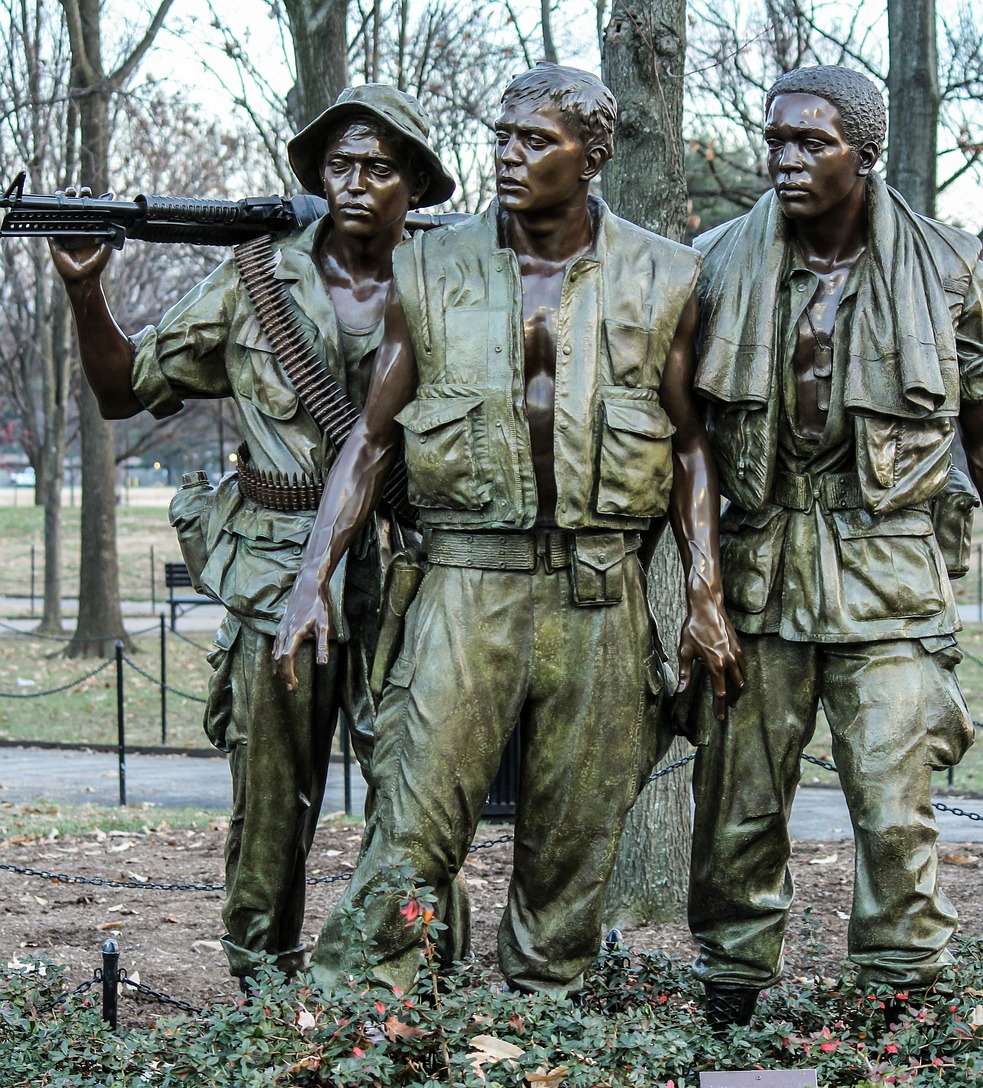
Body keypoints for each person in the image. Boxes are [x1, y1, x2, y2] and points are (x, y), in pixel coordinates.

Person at [273, 62, 744, 998]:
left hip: (599, 590)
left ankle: (541, 1038)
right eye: (501, 134)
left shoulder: (666, 275)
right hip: (463, 581)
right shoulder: (429, 266)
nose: (507, 154)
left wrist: (703, 597)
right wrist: (309, 578)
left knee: (573, 843)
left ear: (592, 156)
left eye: (536, 140)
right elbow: (369, 442)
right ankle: (358, 1034)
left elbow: (693, 448)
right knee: (412, 823)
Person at [48, 85, 456, 986]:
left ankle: (414, 978)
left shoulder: (451, 280)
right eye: (337, 165)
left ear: (414, 185)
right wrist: (87, 295)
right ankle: (257, 983)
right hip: (276, 571)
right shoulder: (255, 280)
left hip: (406, 570)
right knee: (270, 799)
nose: (354, 182)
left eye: (378, 167)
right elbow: (124, 391)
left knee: (420, 788)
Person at [688, 65, 983, 1030]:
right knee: (737, 806)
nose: (783, 160)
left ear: (865, 152)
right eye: (774, 140)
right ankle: (729, 1003)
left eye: (810, 143)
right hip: (758, 564)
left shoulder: (946, 271)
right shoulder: (715, 262)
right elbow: (679, 435)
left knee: (895, 808)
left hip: (888, 566)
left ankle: (902, 1014)